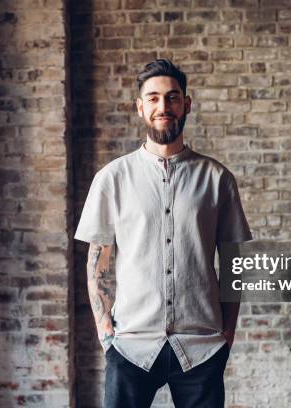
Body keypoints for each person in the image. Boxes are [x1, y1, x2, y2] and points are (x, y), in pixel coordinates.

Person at [74, 59, 252, 408]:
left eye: (172, 98)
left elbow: (233, 265)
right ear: (140, 107)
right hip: (130, 346)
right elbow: (98, 262)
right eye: (153, 98)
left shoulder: (217, 179)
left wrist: (226, 335)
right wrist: (105, 332)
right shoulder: (112, 179)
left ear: (187, 104)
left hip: (202, 347)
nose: (163, 106)